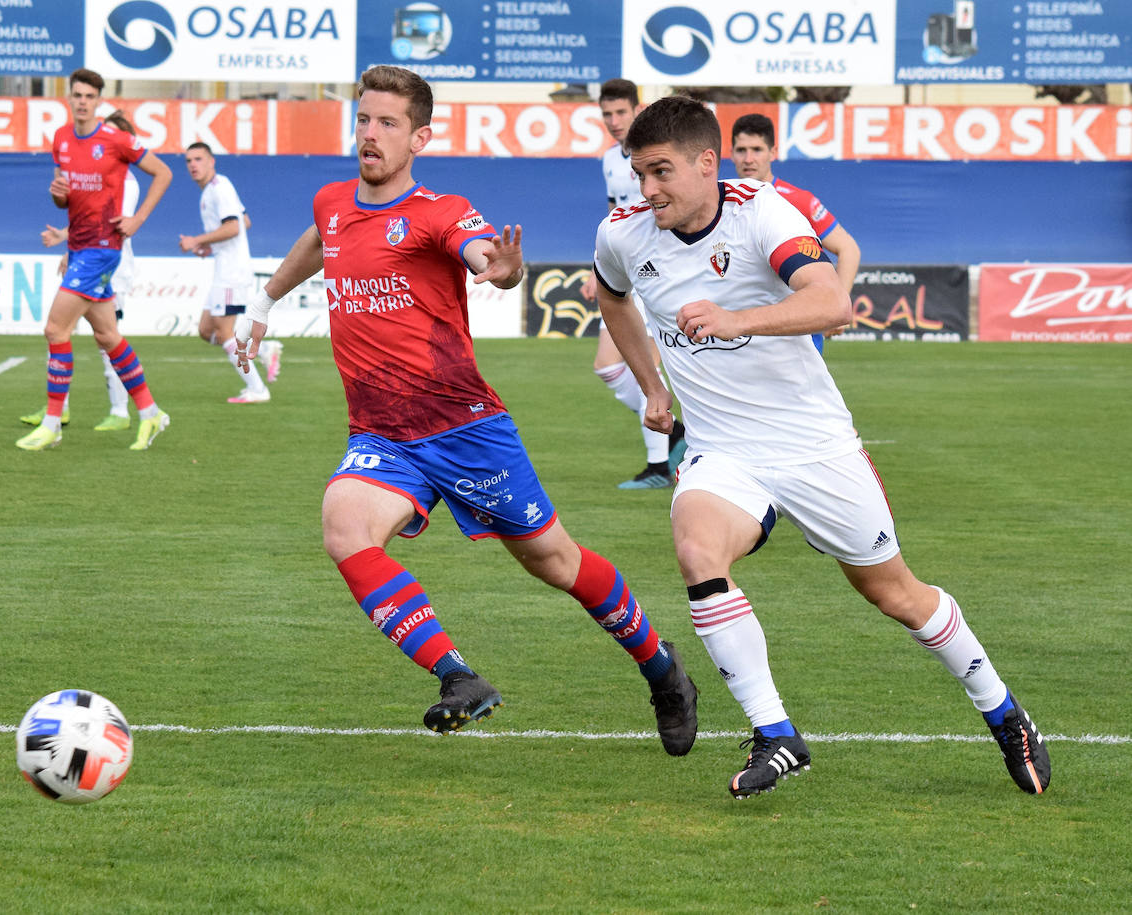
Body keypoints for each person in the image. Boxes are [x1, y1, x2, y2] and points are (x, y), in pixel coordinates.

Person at [592, 95, 1050, 797]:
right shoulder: (623, 235)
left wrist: (733, 318)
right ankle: (776, 733)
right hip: (724, 449)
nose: (646, 189)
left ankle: (1003, 710)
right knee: (696, 548)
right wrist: (652, 386)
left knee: (894, 592)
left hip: (814, 444)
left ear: (706, 163)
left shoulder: (763, 214)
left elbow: (832, 302)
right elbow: (612, 296)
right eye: (638, 172)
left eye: (660, 172)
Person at [234, 65, 698, 751]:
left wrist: (500, 267)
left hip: (466, 429)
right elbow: (318, 238)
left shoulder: (439, 211)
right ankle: (459, 677)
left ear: (420, 136)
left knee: (556, 562)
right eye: (364, 118)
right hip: (384, 436)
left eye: (388, 123)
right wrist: (263, 301)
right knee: (343, 525)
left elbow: (484, 253)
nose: (370, 133)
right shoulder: (333, 202)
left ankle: (662, 667)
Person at [16, 68, 172, 452]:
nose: (82, 100)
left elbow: (163, 173)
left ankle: (53, 423)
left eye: (89, 95)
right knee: (107, 335)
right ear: (70, 98)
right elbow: (64, 198)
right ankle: (151, 413)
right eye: (77, 94)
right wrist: (57, 194)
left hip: (104, 249)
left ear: (98, 101)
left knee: (55, 330)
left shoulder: (116, 140)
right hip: (80, 248)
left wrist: (138, 219)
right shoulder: (62, 139)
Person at [579, 79, 686, 490]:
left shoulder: (660, 151)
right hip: (625, 273)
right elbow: (613, 217)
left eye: (621, 112)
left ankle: (659, 466)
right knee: (607, 367)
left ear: (637, 109)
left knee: (649, 368)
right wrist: (598, 267)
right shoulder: (610, 159)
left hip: (657, 272)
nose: (614, 121)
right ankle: (676, 431)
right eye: (607, 114)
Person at [20, 110, 139, 433]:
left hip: (112, 266)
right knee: (62, 331)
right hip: (89, 258)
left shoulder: (125, 181)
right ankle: (58, 409)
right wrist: (68, 244)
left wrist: (67, 243)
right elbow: (86, 217)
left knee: (104, 338)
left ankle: (120, 410)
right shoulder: (99, 175)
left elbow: (109, 224)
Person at [729, 113, 861, 352]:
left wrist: (836, 302)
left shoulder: (799, 200)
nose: (748, 159)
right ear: (731, 153)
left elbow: (848, 247)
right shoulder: (723, 202)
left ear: (773, 152)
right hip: (742, 336)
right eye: (741, 150)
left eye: (757, 149)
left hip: (797, 340)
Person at [178, 142, 282, 403]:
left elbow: (235, 227)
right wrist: (209, 245)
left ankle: (258, 390)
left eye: (198, 159)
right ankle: (266, 349)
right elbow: (244, 220)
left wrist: (197, 240)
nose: (193, 165)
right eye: (189, 160)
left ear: (212, 161)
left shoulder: (219, 189)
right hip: (224, 268)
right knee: (206, 330)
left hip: (231, 271)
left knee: (224, 332)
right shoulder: (215, 189)